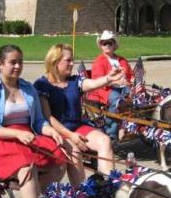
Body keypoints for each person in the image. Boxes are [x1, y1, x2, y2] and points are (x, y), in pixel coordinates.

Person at [0, 44, 66, 198]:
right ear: (0, 64)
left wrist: (50, 130)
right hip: (1, 139)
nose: (17, 66)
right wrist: (17, 134)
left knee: (60, 160)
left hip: (27, 137)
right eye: (12, 62)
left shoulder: (28, 88)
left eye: (20, 62)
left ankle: (37, 196)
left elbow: (38, 120)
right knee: (26, 168)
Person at [34, 43, 125, 186]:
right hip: (56, 132)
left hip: (77, 127)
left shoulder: (75, 80)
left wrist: (109, 78)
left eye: (72, 60)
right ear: (55, 61)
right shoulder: (42, 85)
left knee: (105, 141)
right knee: (74, 152)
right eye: (68, 60)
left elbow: (93, 83)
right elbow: (48, 117)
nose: (72, 63)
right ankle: (82, 195)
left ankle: (110, 187)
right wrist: (71, 136)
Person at [86, 30, 133, 140]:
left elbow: (131, 75)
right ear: (101, 46)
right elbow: (99, 81)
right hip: (105, 89)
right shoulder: (99, 61)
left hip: (125, 87)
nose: (107, 45)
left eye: (110, 43)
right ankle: (111, 132)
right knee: (117, 101)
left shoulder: (122, 60)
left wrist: (132, 81)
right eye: (104, 43)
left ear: (114, 45)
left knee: (137, 98)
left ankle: (129, 126)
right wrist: (115, 82)